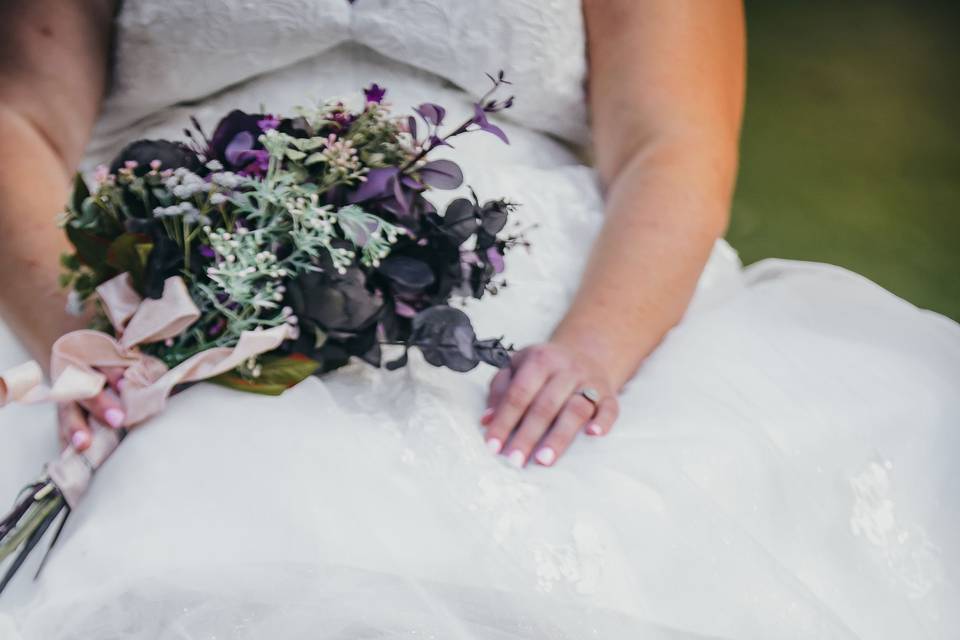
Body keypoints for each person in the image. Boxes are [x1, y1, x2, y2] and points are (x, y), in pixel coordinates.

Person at [0, 1, 957, 637]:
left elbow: (673, 137)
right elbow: (24, 120)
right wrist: (96, 344)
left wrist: (594, 347)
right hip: (157, 286)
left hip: (541, 292)